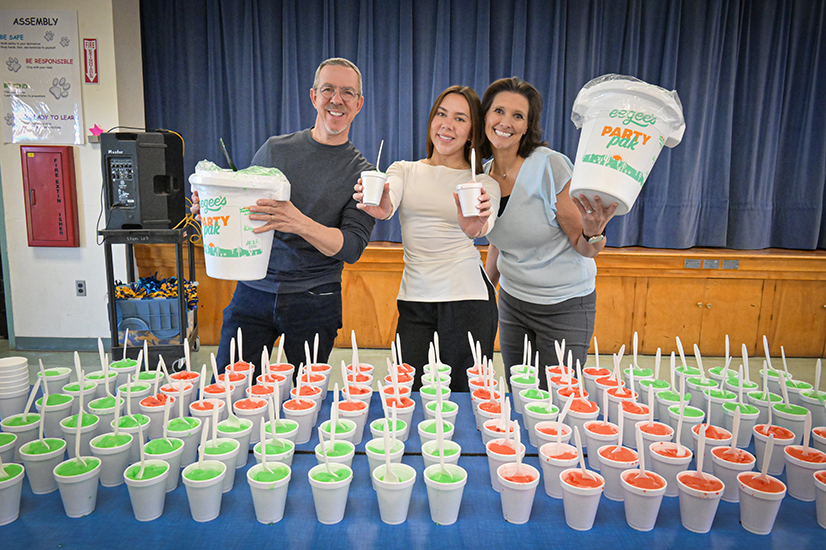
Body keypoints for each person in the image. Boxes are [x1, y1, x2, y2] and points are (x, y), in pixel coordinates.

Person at [191, 58, 376, 378]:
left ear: (358, 104)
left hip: (316, 299)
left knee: (303, 399)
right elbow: (245, 209)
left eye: (347, 92)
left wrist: (297, 221)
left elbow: (351, 248)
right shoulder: (276, 150)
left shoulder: (363, 174)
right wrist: (215, 206)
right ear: (313, 96)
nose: (336, 99)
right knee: (227, 386)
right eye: (328, 89)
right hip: (253, 291)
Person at [354, 86, 500, 392]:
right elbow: (387, 200)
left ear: (473, 131)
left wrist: (474, 227)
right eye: (441, 114)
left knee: (463, 395)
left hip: (468, 299)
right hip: (415, 298)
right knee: (406, 392)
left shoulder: (483, 182)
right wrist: (380, 206)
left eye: (460, 118)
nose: (447, 124)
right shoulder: (404, 170)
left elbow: (482, 226)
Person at [480, 77, 618, 385]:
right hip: (514, 304)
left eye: (518, 116)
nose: (505, 122)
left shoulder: (549, 166)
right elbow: (501, 239)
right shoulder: (484, 174)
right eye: (498, 111)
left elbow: (584, 247)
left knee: (558, 401)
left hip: (564, 307)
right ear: (485, 116)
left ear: (528, 126)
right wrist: (488, 286)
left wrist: (593, 232)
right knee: (521, 395)